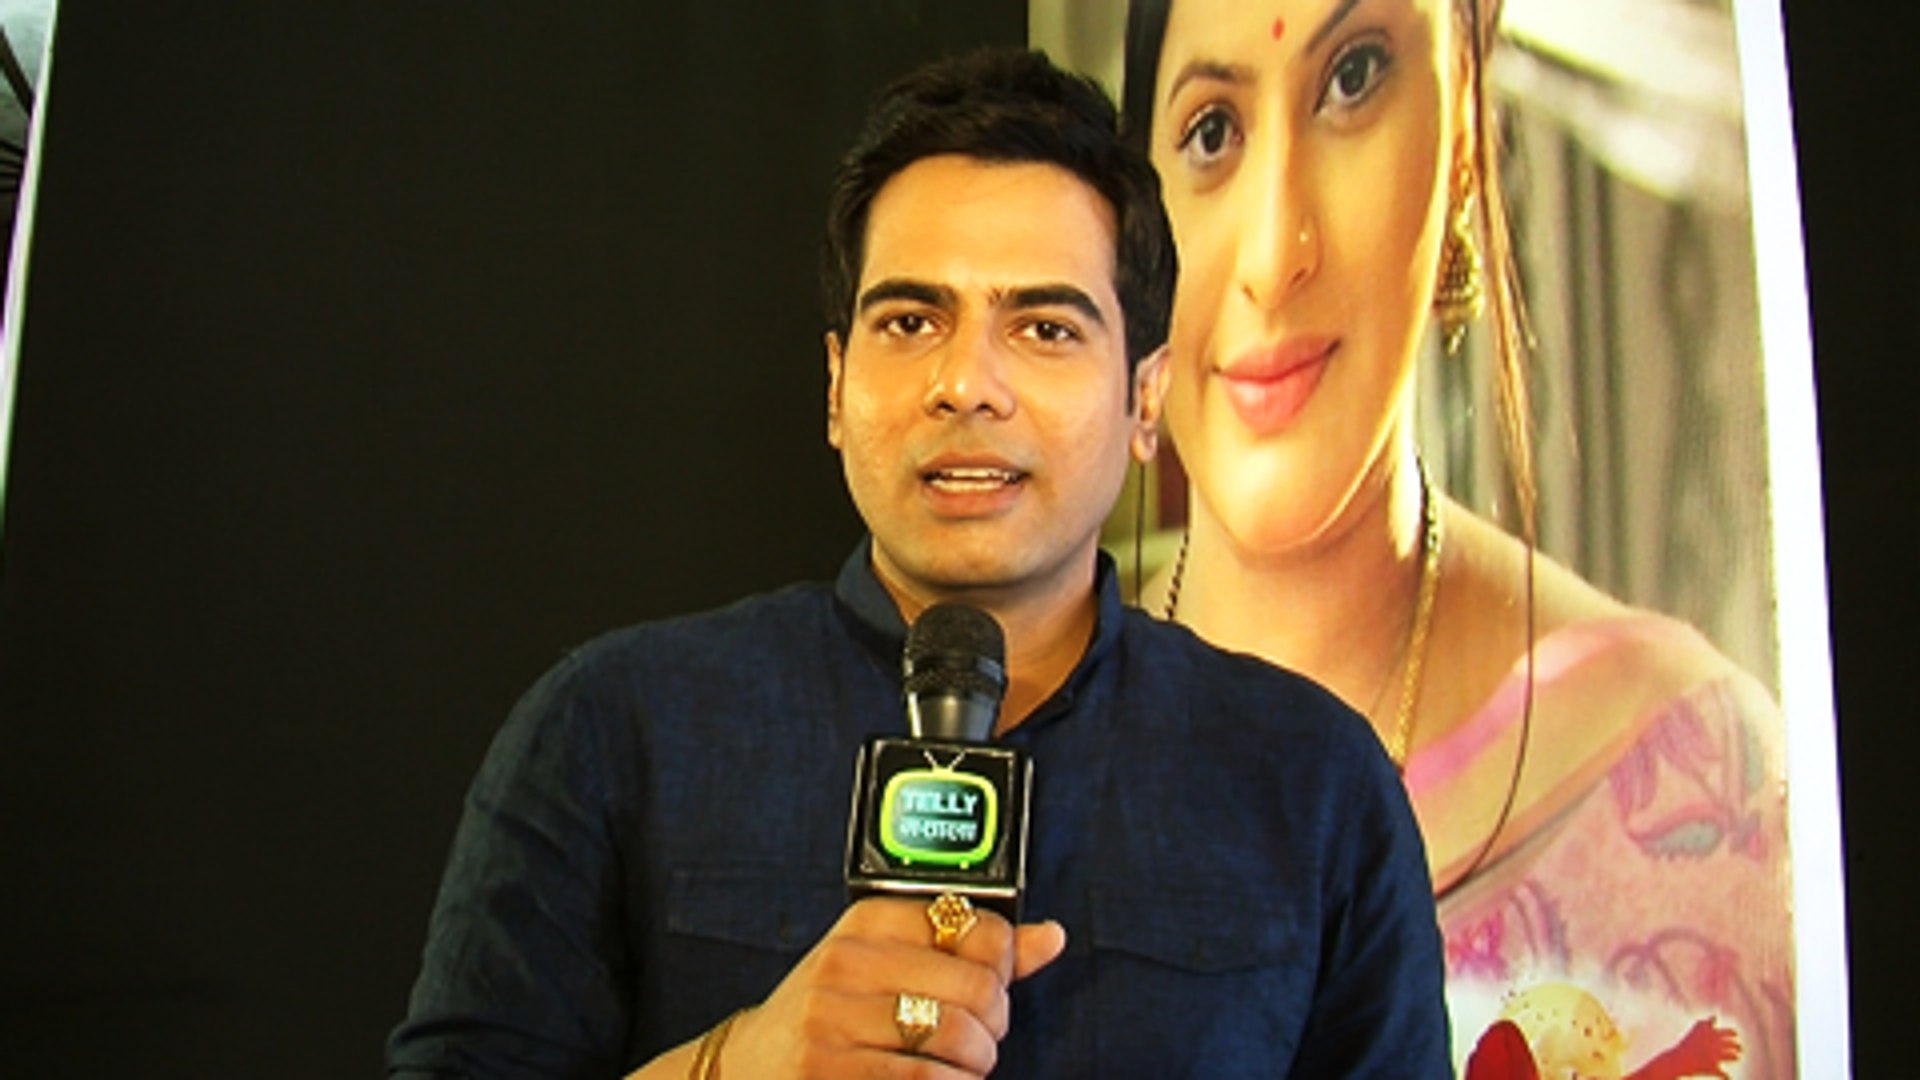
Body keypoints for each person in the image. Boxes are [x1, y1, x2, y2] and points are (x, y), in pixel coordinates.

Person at [387, 47, 1448, 1078]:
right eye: (910, 320)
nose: (965, 384)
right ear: (836, 386)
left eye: (1043, 328)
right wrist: (734, 1063)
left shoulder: (1312, 784)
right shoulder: (613, 729)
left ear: (1145, 399)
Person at [1120, 0, 1794, 1075]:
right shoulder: (1005, 722)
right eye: (1211, 131)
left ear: (1465, 133)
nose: (1275, 253)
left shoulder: (1702, 784)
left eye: (1353, 79)